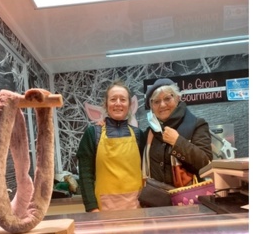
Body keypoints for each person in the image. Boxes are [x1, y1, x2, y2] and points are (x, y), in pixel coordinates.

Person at [77, 80, 144, 212]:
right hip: (103, 209)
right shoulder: (92, 134)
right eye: (113, 99)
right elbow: (85, 174)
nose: (118, 103)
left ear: (129, 105)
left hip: (136, 208)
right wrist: (92, 207)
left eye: (123, 99)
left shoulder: (139, 134)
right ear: (106, 104)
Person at [143, 78, 212, 186]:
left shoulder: (196, 125)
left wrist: (177, 142)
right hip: (157, 200)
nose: (162, 105)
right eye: (156, 101)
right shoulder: (149, 133)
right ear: (151, 106)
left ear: (177, 98)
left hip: (188, 199)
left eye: (167, 99)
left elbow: (206, 164)